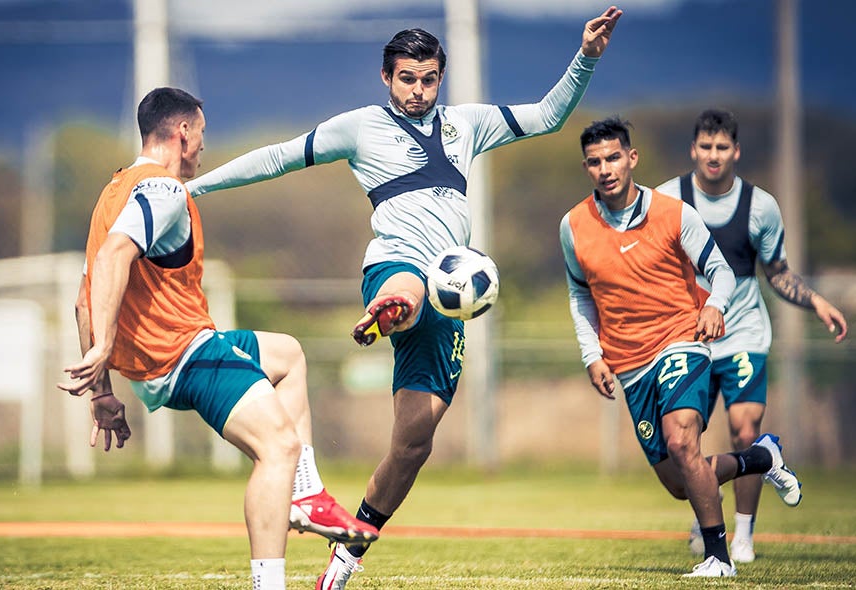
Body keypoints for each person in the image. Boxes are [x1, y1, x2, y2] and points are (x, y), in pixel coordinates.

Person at [183, 8, 622, 589]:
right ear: (386, 78)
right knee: (410, 284)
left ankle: (349, 553)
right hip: (396, 268)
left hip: (450, 300)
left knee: (412, 444)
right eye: (408, 78)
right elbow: (278, 156)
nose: (419, 89)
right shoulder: (361, 127)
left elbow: (547, 115)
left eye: (430, 78)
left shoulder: (467, 123)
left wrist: (586, 55)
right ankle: (388, 312)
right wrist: (193, 187)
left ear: (441, 77)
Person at [56, 87, 379, 590]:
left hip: (160, 358)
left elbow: (83, 298)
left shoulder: (113, 191)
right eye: (201, 134)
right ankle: (270, 578)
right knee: (278, 445)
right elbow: (113, 257)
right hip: (181, 353)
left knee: (288, 354)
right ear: (182, 132)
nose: (203, 147)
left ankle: (305, 493)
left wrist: (101, 390)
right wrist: (102, 352)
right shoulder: (163, 190)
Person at [559, 117, 804, 578]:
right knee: (679, 481)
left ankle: (719, 557)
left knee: (681, 440)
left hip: (680, 342)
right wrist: (592, 354)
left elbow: (724, 271)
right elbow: (579, 296)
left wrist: (714, 306)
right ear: (586, 167)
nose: (605, 168)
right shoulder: (572, 226)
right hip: (629, 366)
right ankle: (762, 457)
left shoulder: (673, 213)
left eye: (613, 157)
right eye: (594, 162)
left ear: (632, 159)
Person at [655, 108, 848, 563]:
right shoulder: (669, 201)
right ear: (693, 150)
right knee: (683, 445)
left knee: (744, 430)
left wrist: (816, 301)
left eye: (722, 147)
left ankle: (742, 535)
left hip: (743, 333)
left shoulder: (760, 206)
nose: (714, 155)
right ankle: (708, 515)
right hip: (689, 337)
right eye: (706, 147)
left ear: (736, 151)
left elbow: (777, 272)